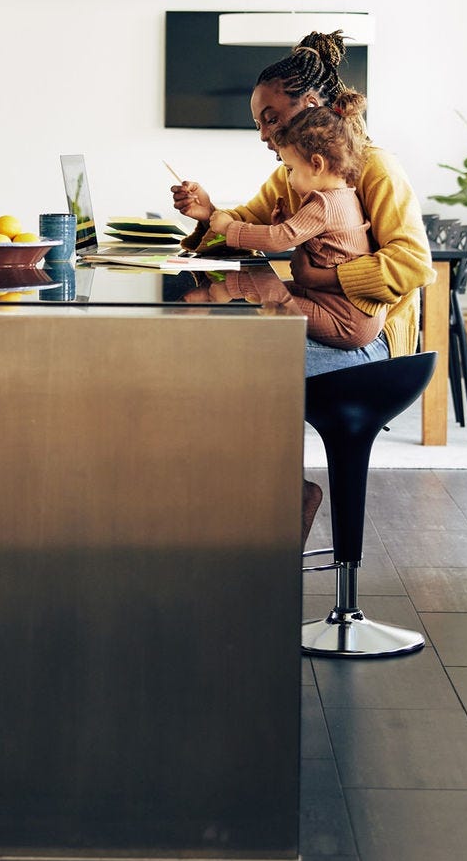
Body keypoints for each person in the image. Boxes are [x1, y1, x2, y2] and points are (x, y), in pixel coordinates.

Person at [171, 30, 433, 538]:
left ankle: (282, 499)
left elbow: (414, 262)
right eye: (258, 124)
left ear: (311, 106)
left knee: (238, 365)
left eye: (270, 120)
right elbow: (247, 223)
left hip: (368, 341)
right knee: (220, 358)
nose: (264, 136)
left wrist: (322, 274)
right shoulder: (293, 172)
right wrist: (207, 216)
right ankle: (256, 503)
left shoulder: (375, 167)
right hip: (317, 321)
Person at [199, 105, 383, 354]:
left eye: (290, 170)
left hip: (345, 321)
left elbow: (279, 241)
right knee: (272, 283)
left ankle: (230, 289)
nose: (288, 179)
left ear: (317, 164)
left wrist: (231, 228)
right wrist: (290, 222)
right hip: (343, 307)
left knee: (277, 301)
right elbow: (313, 240)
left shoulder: (324, 203)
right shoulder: (342, 196)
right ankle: (229, 288)